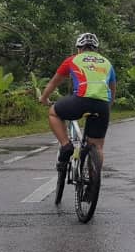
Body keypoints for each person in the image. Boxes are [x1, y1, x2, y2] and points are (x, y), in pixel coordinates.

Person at [39, 32, 117, 170]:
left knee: (53, 113)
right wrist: (107, 107)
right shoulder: (107, 63)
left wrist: (44, 98)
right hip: (102, 105)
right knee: (98, 146)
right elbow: (112, 89)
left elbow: (53, 83)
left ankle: (65, 145)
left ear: (79, 48)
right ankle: (94, 182)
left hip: (80, 101)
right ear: (96, 49)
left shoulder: (73, 60)